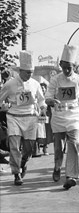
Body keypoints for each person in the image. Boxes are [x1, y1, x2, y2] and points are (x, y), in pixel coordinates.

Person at [0, 51, 47, 185]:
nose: (29, 75)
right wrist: (4, 106)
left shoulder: (35, 84)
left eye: (31, 72)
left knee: (29, 148)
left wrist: (43, 108)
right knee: (14, 146)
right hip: (14, 117)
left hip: (30, 118)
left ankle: (24, 161)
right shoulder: (9, 84)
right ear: (21, 70)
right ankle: (16, 174)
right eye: (27, 72)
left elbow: (41, 101)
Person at [45, 44, 79, 189]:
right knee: (58, 148)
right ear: (60, 65)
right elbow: (48, 96)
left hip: (73, 116)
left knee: (74, 144)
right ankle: (57, 167)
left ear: (74, 65)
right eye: (65, 67)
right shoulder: (55, 80)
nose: (67, 70)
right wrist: (51, 100)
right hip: (59, 117)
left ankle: (71, 176)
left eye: (70, 67)